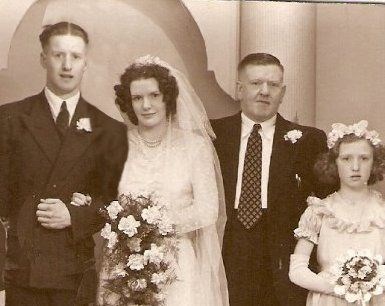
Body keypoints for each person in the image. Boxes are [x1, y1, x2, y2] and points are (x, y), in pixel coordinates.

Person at [72, 55, 229, 306]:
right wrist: (91, 204)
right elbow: (105, 201)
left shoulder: (194, 146)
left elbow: (208, 210)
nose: (146, 105)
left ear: (167, 97)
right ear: (128, 102)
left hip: (177, 265)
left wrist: (155, 225)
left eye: (154, 95)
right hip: (123, 263)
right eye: (137, 98)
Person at [0, 22, 128, 306]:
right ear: (43, 59)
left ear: (86, 63)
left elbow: (116, 202)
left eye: (75, 57)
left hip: (74, 274)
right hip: (21, 271)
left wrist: (75, 216)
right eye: (58, 55)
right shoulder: (9, 119)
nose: (67, 65)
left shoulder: (108, 130)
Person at [211, 53, 330, 306]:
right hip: (226, 247)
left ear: (283, 91)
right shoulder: (212, 135)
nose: (265, 91)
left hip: (283, 255)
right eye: (256, 83)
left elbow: (327, 204)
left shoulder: (310, 141)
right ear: (239, 89)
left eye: (273, 85)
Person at [289, 120, 385, 305]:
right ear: (334, 163)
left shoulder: (381, 213)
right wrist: (338, 287)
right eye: (346, 158)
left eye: (364, 158)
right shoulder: (319, 211)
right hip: (329, 300)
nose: (355, 167)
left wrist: (370, 282)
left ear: (375, 163)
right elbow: (297, 270)